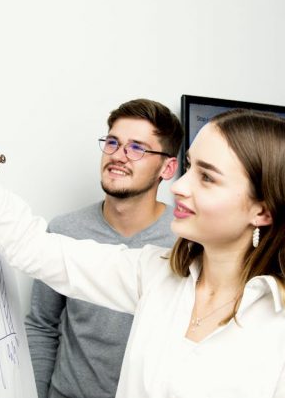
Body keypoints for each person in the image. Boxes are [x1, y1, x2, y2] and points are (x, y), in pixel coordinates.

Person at [0, 68, 285, 397]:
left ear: (262, 210)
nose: (180, 185)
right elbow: (31, 247)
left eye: (207, 177)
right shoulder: (157, 276)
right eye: (188, 169)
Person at [24, 98, 182, 398]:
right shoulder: (65, 231)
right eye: (113, 142)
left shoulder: (186, 243)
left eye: (137, 148)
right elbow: (42, 325)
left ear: (167, 167)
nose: (119, 156)